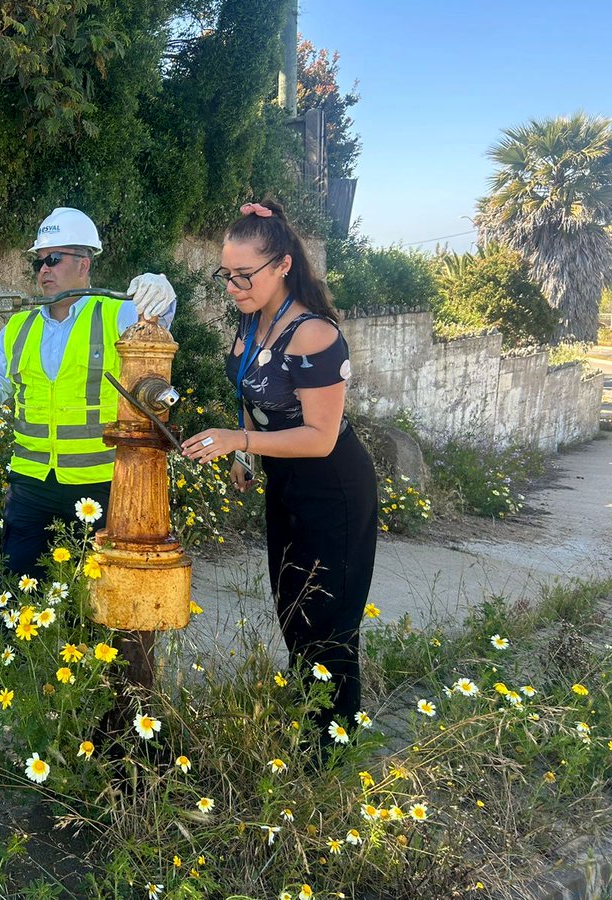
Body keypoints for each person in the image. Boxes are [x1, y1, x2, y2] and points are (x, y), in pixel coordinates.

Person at [0, 207, 178, 705]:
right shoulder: (18, 326)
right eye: (39, 262)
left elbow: (158, 325)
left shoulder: (115, 313)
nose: (44, 269)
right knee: (18, 577)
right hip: (31, 479)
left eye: (55, 259)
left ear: (85, 263)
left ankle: (98, 682)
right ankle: (2, 670)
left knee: (95, 586)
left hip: (96, 482)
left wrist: (162, 290)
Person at [180, 200, 378, 734]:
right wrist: (248, 453)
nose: (233, 286)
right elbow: (249, 386)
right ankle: (307, 720)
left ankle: (331, 746)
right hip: (285, 480)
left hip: (333, 486)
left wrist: (237, 439)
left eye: (246, 275)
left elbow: (321, 436)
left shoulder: (314, 334)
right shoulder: (250, 322)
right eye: (227, 274)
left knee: (329, 620)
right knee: (293, 607)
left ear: (283, 265)